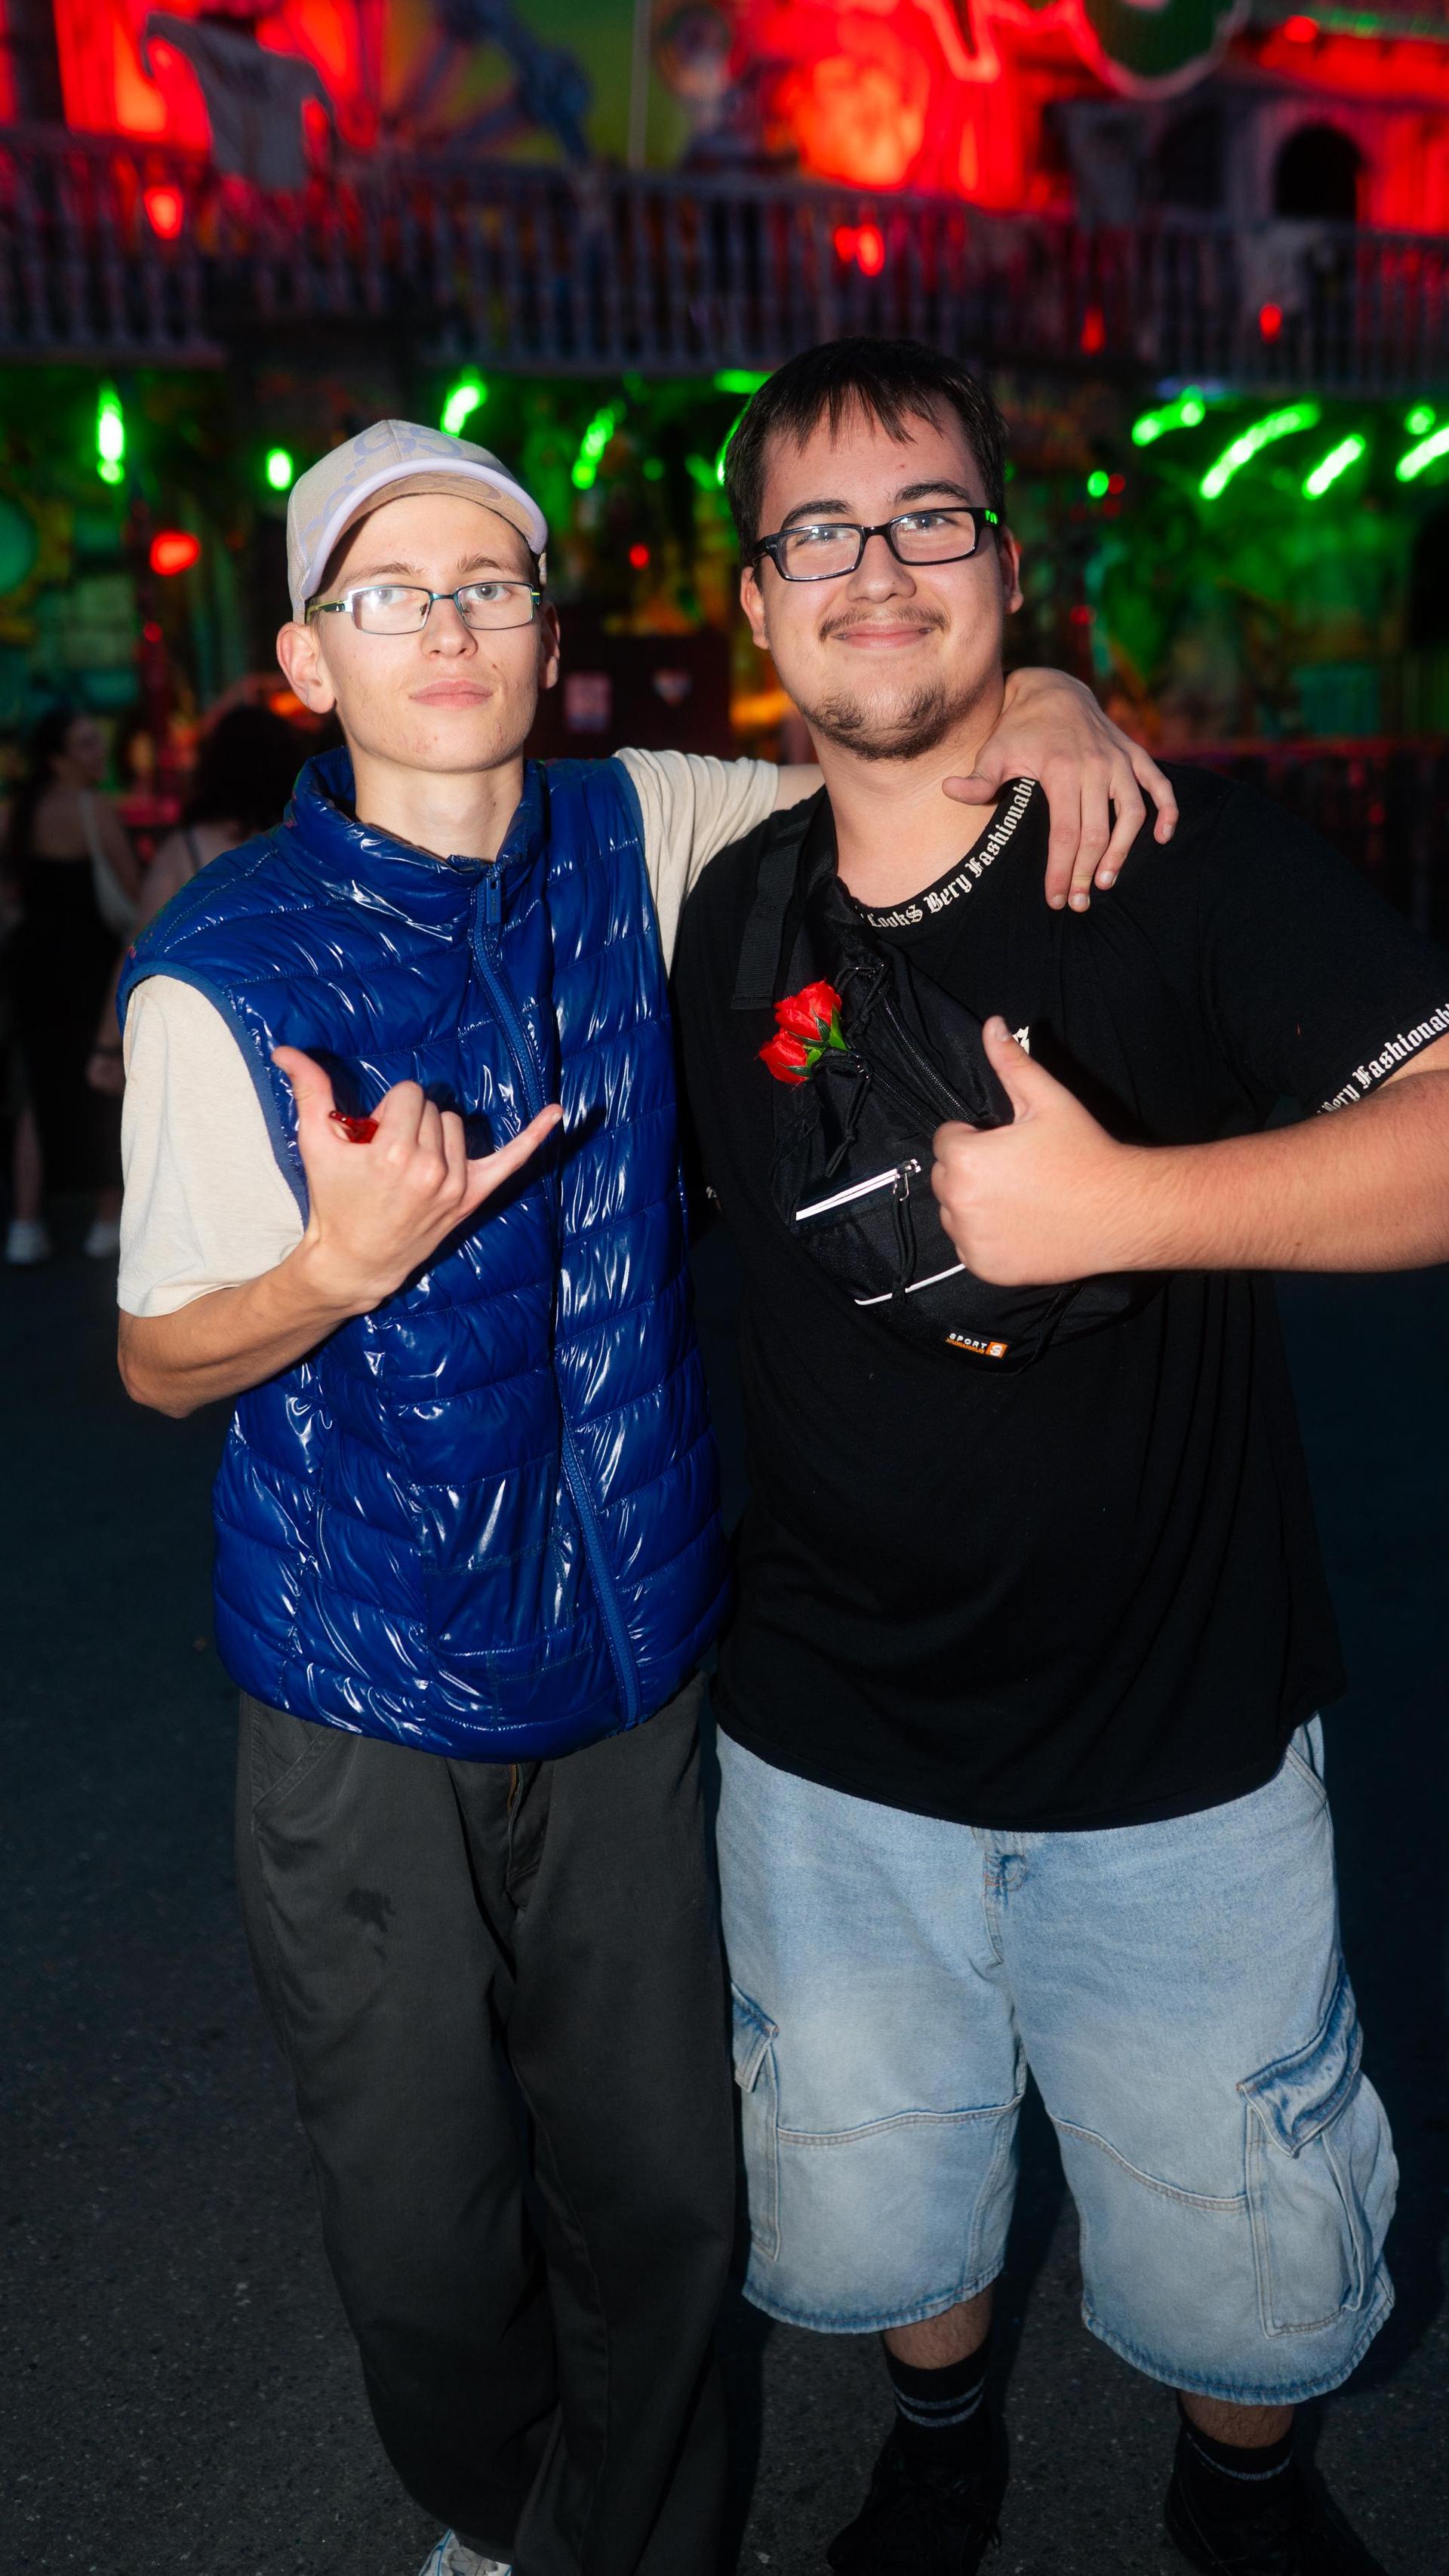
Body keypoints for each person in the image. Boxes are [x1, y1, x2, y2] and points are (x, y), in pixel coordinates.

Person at [113, 415, 1163, 2576]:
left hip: (636, 1660)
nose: (451, 630)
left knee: (674, 2179)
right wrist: (335, 1267)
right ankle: (513, 2507)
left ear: (549, 635)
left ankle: (634, 2542)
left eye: (489, 585)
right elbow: (154, 1355)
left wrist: (1038, 695)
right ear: (309, 655)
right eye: (392, 593)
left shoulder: (644, 826)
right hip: (358, 1687)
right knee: (425, 2223)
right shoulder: (227, 964)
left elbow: (883, 781)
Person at [672, 337, 1449, 2576]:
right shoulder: (724, 909)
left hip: (1179, 1736)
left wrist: (1133, 1209)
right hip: (828, 1743)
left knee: (1239, 2239)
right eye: (815, 531)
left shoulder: (1180, 863)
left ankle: (1244, 2493)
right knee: (872, 2184)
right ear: (754, 606)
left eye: (926, 516)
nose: (874, 567)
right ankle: (942, 2448)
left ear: (1006, 571)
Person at [86, 702, 304, 1102]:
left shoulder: (185, 851)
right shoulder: (310, 847)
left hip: (219, 1036)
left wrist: (107, 1046)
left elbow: (138, 951)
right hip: (305, 1033)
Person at [3, 706, 140, 1263]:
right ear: (57, 758)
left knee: (41, 1092)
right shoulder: (93, 808)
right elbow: (135, 889)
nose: (97, 752)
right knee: (107, 1086)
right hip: (91, 962)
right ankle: (105, 1223)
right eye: (85, 745)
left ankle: (26, 1225)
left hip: (32, 965)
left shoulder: (17, 813)